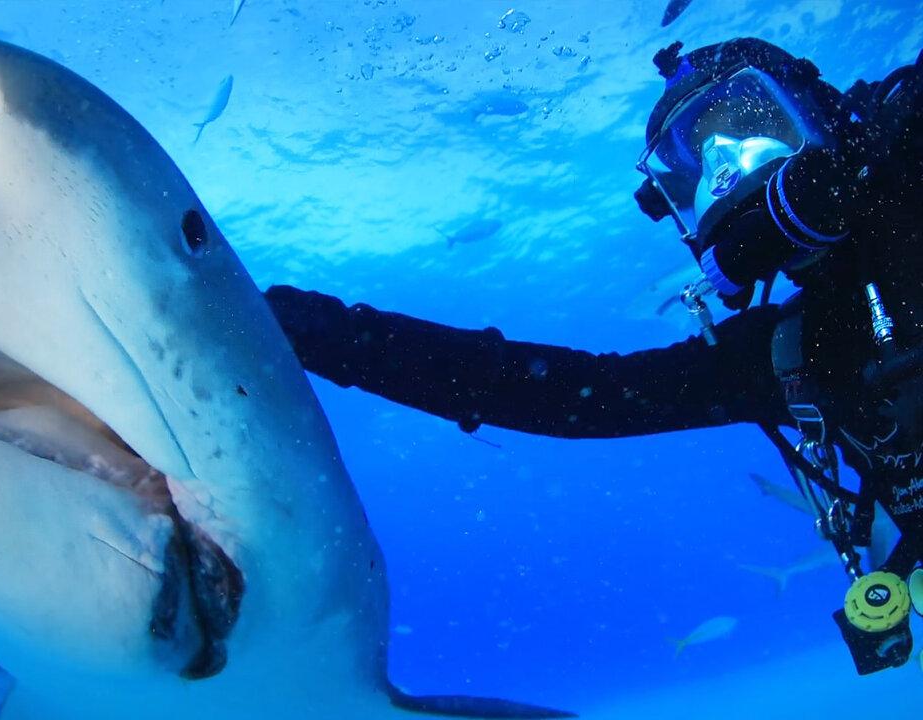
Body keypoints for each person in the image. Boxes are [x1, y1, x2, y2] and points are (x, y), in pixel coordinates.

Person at [263, 38, 923, 675]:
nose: (724, 161)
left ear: (820, 110)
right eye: (691, 163)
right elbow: (569, 394)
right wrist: (311, 331)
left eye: (748, 120)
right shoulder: (782, 354)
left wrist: (880, 155)